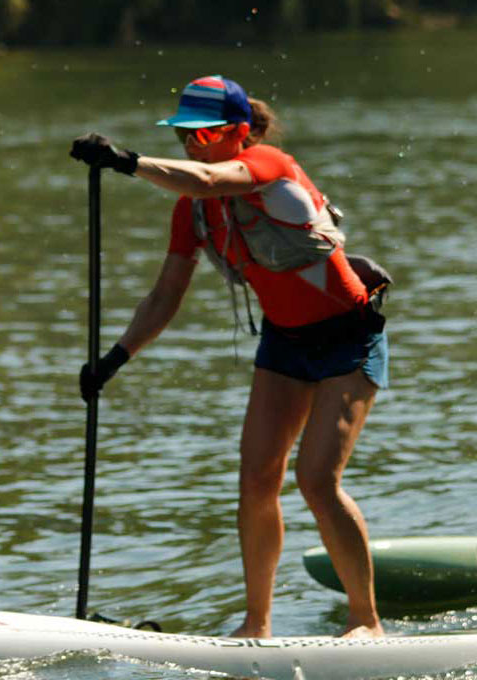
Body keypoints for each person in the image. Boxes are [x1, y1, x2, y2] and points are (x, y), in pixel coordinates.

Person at [69, 75, 388, 637]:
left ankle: (366, 623)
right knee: (256, 478)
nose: (193, 144)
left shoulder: (268, 164)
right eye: (184, 134)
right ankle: (255, 624)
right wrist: (113, 359)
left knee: (317, 480)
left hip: (347, 336)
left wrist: (125, 161)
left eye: (205, 132)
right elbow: (165, 296)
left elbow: (213, 178)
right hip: (284, 342)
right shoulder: (191, 212)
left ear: (240, 133)